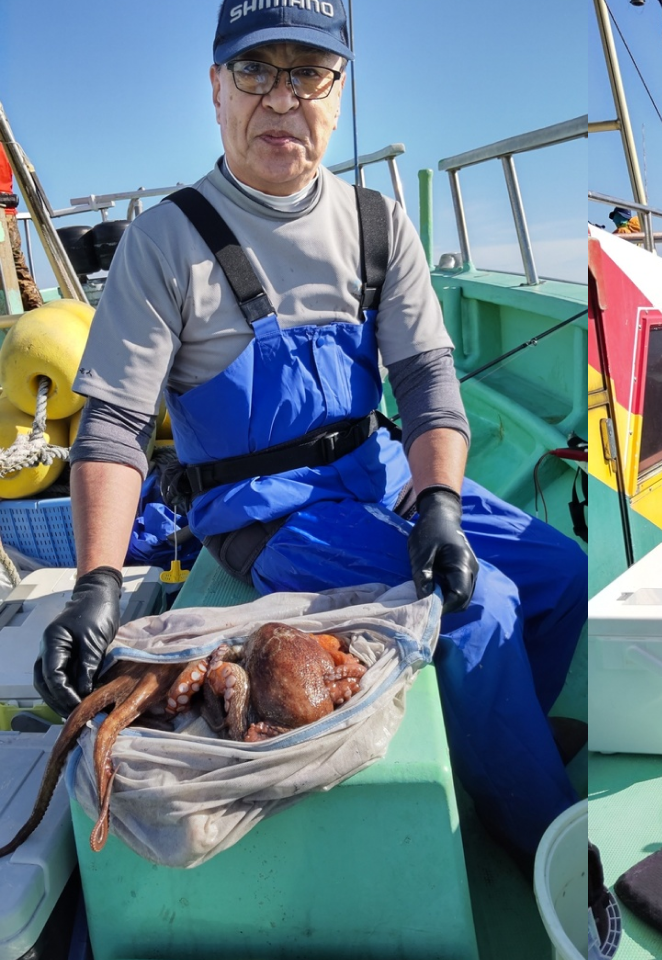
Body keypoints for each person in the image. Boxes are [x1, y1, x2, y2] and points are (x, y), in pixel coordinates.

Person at [33, 0, 586, 871]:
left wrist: (437, 500)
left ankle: (500, 735)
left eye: (309, 72)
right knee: (483, 610)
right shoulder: (164, 240)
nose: (281, 98)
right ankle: (538, 831)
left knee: (563, 575)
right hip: (270, 519)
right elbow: (113, 424)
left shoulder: (376, 223)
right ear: (216, 88)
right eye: (255, 70)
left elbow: (428, 379)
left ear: (338, 92)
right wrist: (97, 585)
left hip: (380, 479)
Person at [0, 147, 44, 312]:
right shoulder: (6, 143)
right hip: (8, 215)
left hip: (3, 214)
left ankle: (35, 314)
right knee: (17, 268)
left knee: (14, 269)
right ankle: (37, 313)